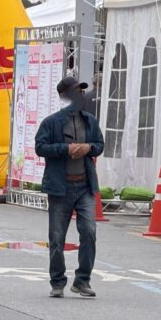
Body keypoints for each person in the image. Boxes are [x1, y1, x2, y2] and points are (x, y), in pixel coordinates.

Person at [35, 76, 104, 299]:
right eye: (75, 92)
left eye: (81, 92)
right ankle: (57, 281)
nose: (80, 96)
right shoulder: (51, 122)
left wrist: (88, 148)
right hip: (60, 187)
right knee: (57, 237)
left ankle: (82, 280)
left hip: (84, 185)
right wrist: (66, 149)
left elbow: (100, 145)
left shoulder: (90, 121)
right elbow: (40, 147)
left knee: (89, 232)